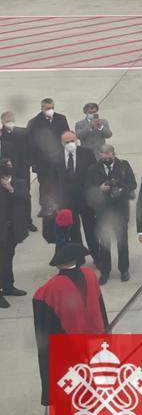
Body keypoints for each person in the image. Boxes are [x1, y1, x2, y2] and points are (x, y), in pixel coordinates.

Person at [32, 243, 108, 415]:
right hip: (93, 341)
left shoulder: (48, 290)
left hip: (67, 345)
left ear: (58, 264)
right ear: (77, 259)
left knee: (64, 384)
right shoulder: (90, 275)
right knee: (88, 381)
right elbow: (101, 308)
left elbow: (44, 328)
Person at [84, 144, 136, 284]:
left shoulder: (123, 166)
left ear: (113, 153)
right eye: (103, 153)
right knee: (104, 243)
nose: (106, 156)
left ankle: (124, 269)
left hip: (120, 210)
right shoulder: (93, 169)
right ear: (100, 154)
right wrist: (99, 189)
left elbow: (132, 184)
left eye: (108, 153)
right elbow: (87, 189)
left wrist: (121, 190)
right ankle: (105, 271)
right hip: (103, 211)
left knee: (122, 241)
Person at [27, 100, 72, 216]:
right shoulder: (34, 122)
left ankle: (61, 205)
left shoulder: (61, 119)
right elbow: (30, 144)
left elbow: (66, 136)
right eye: (47, 108)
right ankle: (45, 206)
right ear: (42, 108)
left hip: (59, 158)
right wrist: (33, 162)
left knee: (60, 182)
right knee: (45, 184)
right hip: (42, 161)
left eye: (52, 107)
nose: (50, 110)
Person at [53, 131, 95, 245]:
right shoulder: (56, 157)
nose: (70, 143)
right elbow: (53, 181)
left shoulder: (87, 153)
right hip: (67, 202)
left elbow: (94, 175)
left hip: (86, 200)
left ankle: (95, 253)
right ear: (62, 143)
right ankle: (78, 253)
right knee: (73, 231)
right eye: (67, 142)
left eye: (72, 141)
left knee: (91, 230)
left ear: (76, 140)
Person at [0, 158, 30, 305]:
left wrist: (10, 188)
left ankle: (8, 286)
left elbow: (24, 198)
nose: (8, 168)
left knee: (8, 257)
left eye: (10, 165)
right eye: (5, 166)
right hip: (1, 228)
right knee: (2, 260)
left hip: (13, 229)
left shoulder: (19, 183)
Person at [1, 112, 33, 231]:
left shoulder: (23, 132)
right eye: (7, 121)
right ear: (2, 122)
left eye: (11, 120)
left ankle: (28, 221)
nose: (10, 123)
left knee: (26, 195)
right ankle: (12, 222)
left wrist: (28, 164)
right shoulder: (1, 135)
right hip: (7, 171)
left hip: (22, 170)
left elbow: (30, 148)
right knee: (8, 196)